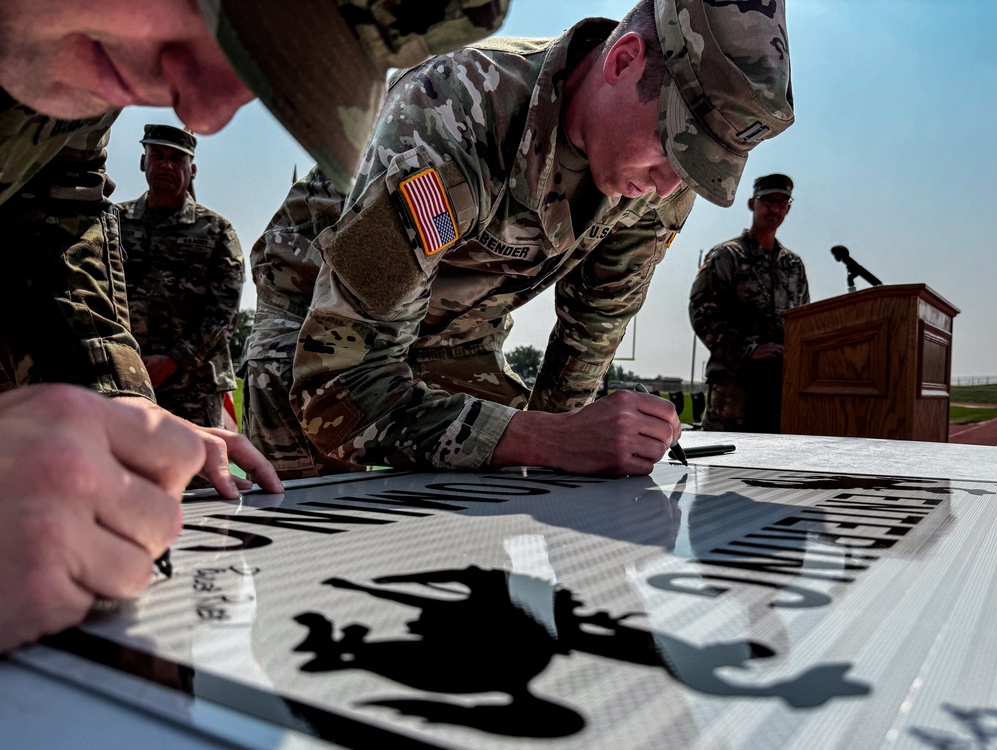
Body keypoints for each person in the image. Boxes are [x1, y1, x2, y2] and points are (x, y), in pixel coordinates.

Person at [0, 0, 510, 653]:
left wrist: (121, 408)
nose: (203, 113)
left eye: (264, 68)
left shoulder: (77, 64)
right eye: (221, 12)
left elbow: (57, 220)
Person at [244, 0, 795, 479]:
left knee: (496, 517)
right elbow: (339, 394)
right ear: (623, 60)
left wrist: (572, 442)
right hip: (319, 324)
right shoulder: (451, 115)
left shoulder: (660, 181)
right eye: (674, 145)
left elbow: (591, 338)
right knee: (305, 509)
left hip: (460, 335)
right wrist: (552, 440)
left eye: (698, 165)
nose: (671, 184)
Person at [118, 124, 244, 430]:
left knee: (198, 473)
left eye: (177, 158)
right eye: (157, 155)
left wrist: (173, 361)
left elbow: (223, 315)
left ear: (193, 169)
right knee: (127, 474)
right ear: (142, 161)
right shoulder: (113, 223)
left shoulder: (216, 230)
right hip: (124, 379)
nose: (166, 164)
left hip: (193, 386)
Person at [689, 173, 810, 433]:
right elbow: (702, 312)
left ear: (788, 208)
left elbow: (804, 323)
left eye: (781, 202)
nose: (774, 208)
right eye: (768, 201)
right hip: (734, 391)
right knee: (727, 468)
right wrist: (747, 349)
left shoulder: (793, 265)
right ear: (752, 203)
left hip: (781, 391)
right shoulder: (728, 255)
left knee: (775, 469)